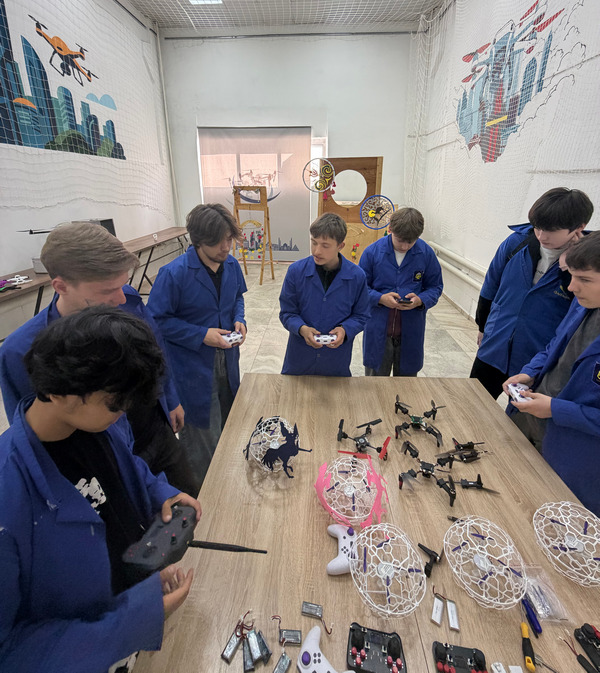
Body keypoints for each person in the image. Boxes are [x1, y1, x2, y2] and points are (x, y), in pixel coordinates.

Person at [0, 307, 202, 673]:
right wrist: (133, 621)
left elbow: (125, 469)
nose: (124, 411)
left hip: (134, 610)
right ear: (59, 393)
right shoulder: (9, 497)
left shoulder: (101, 426)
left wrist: (160, 492)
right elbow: (10, 651)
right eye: (115, 402)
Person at [0, 222, 199, 497]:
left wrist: (171, 398)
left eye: (123, 285)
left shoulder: (128, 300)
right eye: (107, 291)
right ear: (61, 286)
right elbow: (34, 439)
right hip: (105, 463)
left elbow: (155, 350)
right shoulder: (21, 350)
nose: (120, 299)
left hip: (156, 431)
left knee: (188, 499)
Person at [147, 204, 247, 488]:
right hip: (192, 369)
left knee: (228, 422)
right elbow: (155, 322)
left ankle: (226, 486)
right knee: (202, 441)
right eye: (217, 241)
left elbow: (237, 298)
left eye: (228, 239)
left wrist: (239, 319)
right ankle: (205, 496)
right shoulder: (173, 274)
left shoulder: (232, 265)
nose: (225, 247)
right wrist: (201, 334)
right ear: (198, 240)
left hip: (228, 361)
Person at [504, 231, 600, 516]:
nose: (571, 287)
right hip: (533, 424)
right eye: (572, 276)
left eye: (584, 279)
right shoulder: (582, 304)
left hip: (578, 458)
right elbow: (555, 345)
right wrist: (530, 373)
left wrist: (557, 410)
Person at [471, 188, 593, 399]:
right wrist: (483, 326)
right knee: (473, 402)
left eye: (551, 230)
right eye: (538, 227)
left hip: (535, 357)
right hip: (495, 344)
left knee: (521, 415)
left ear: (578, 227)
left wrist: (573, 265)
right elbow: (491, 285)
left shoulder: (587, 264)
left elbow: (579, 317)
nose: (542, 236)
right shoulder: (516, 242)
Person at [279, 213, 370, 376]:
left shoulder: (356, 276)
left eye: (325, 245)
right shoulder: (296, 272)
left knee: (334, 392)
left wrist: (345, 330)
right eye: (314, 242)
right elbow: (287, 313)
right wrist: (302, 329)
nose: (317, 251)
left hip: (336, 361)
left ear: (340, 246)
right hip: (299, 358)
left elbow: (361, 315)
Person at [359, 207, 443, 376]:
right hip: (378, 330)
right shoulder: (372, 253)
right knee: (375, 383)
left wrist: (420, 300)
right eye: (400, 240)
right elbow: (359, 289)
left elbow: (435, 287)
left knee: (407, 385)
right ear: (390, 229)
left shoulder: (426, 254)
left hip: (410, 331)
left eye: (410, 242)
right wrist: (380, 298)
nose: (405, 246)